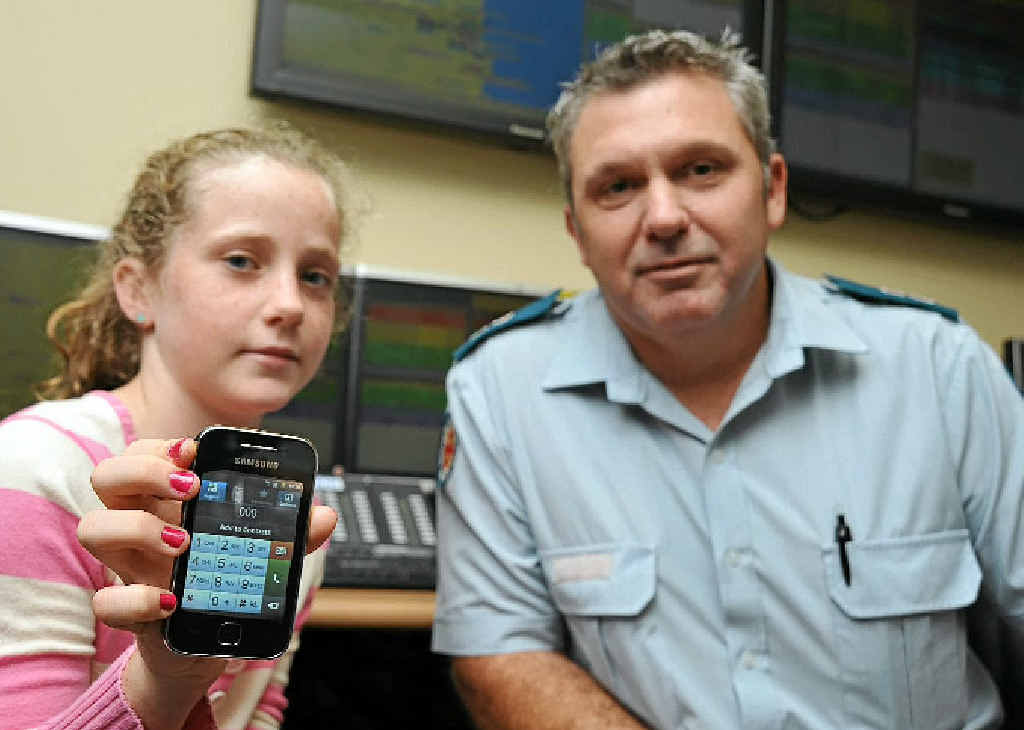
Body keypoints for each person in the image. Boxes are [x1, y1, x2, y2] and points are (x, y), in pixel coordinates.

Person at [430, 29, 1024, 729]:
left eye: (701, 170)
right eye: (618, 187)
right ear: (577, 231)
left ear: (772, 191)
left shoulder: (938, 367)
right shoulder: (501, 391)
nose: (664, 218)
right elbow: (500, 654)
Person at [0, 125, 354, 729]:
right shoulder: (35, 469)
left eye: (315, 275)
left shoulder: (295, 509)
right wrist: (163, 679)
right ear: (139, 290)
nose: (290, 304)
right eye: (242, 261)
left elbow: (255, 709)